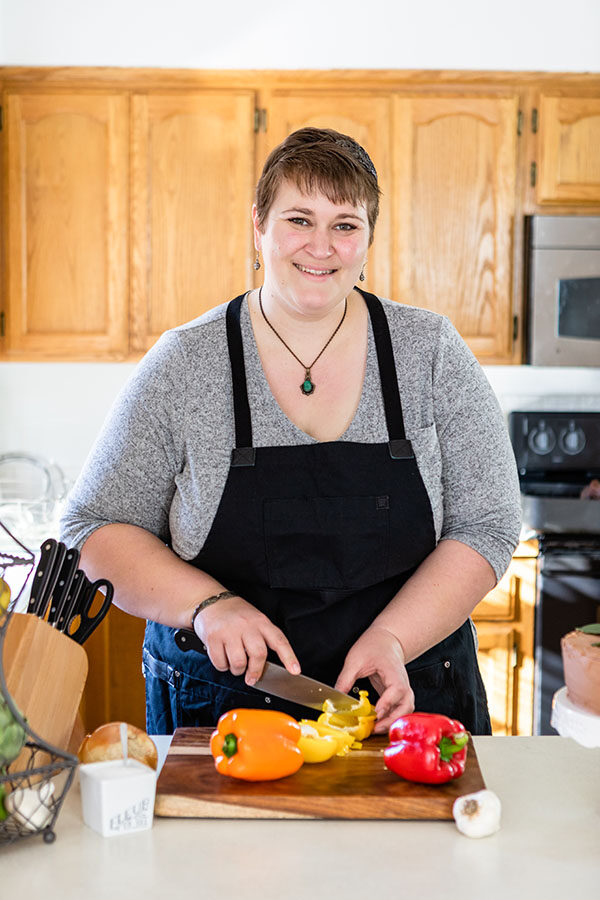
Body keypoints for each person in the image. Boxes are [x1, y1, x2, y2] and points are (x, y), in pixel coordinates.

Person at [60, 127, 521, 736]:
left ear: (368, 239)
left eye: (345, 224)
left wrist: (391, 636)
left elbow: (487, 522)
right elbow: (92, 526)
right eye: (299, 219)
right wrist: (209, 607)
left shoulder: (428, 352)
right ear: (259, 226)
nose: (321, 246)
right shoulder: (187, 363)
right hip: (222, 709)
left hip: (408, 702)